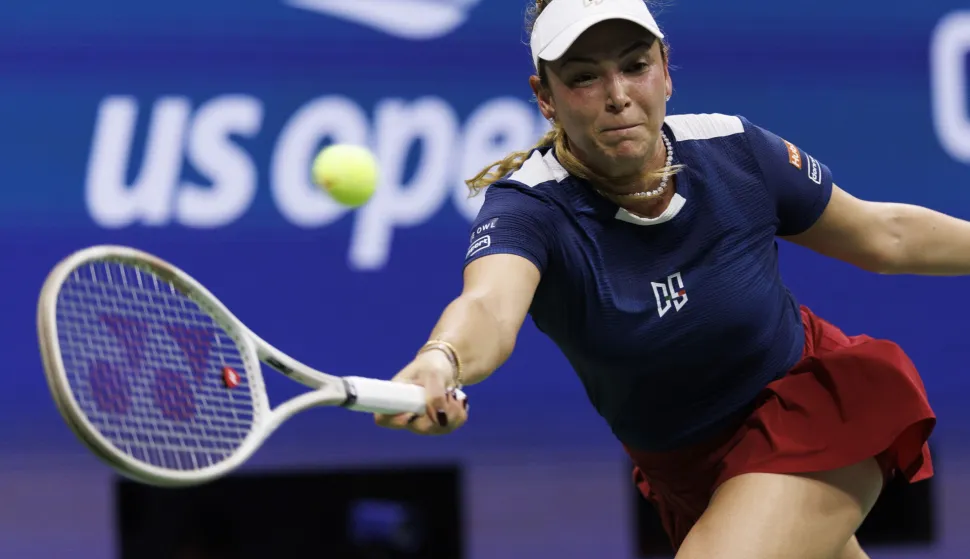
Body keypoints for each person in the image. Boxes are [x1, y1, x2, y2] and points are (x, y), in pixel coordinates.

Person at [373, 0, 947, 557]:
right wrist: (440, 359)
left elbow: (884, 236)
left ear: (666, 70)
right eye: (584, 78)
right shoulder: (530, 208)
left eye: (634, 65)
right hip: (687, 470)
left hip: (809, 410)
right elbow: (489, 308)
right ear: (544, 98)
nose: (618, 96)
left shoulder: (733, 150)